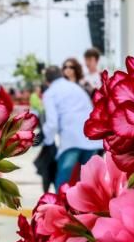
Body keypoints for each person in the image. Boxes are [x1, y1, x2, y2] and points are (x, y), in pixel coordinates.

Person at [42, 59, 103, 190]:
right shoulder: (76, 88)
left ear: (47, 81)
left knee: (63, 180)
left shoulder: (50, 93)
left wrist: (47, 141)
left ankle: (60, 208)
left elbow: (52, 123)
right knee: (86, 182)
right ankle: (83, 209)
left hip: (71, 140)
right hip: (91, 139)